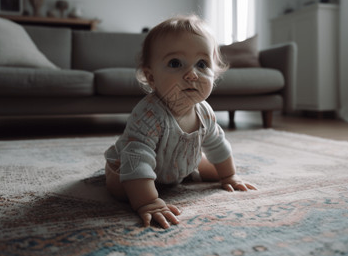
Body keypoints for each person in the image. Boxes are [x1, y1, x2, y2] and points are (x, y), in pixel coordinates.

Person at [104, 15, 257, 229]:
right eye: (175, 63)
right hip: (128, 164)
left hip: (175, 165)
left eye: (202, 64)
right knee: (123, 188)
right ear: (151, 77)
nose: (192, 74)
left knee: (214, 169)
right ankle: (145, 188)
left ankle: (183, 175)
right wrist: (148, 202)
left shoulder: (205, 112)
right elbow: (137, 159)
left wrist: (229, 176)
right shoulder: (149, 115)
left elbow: (217, 145)